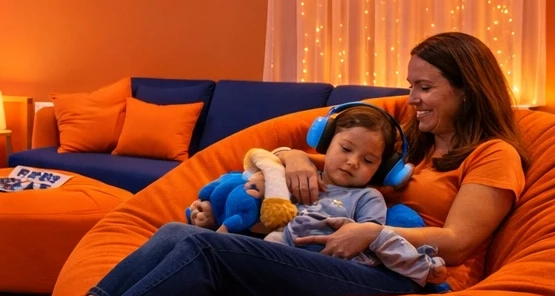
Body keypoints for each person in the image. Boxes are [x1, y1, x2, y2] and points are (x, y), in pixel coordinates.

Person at [0, 31, 529, 296]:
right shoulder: (420, 146)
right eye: (411, 86)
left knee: (210, 251)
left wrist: (376, 232)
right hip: (344, 252)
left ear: (466, 88)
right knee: (178, 233)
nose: (412, 99)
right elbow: (335, 156)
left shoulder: (493, 155)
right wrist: (288, 158)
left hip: (405, 278)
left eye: (425, 87)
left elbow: (458, 243)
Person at [186, 104, 447, 286]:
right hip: (272, 249)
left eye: (368, 160)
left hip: (319, 267)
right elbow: (256, 209)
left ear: (383, 169)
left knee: (200, 249)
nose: (353, 162)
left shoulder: (368, 197)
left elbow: (372, 237)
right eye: (346, 149)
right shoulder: (303, 178)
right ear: (325, 143)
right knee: (182, 235)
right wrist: (214, 214)